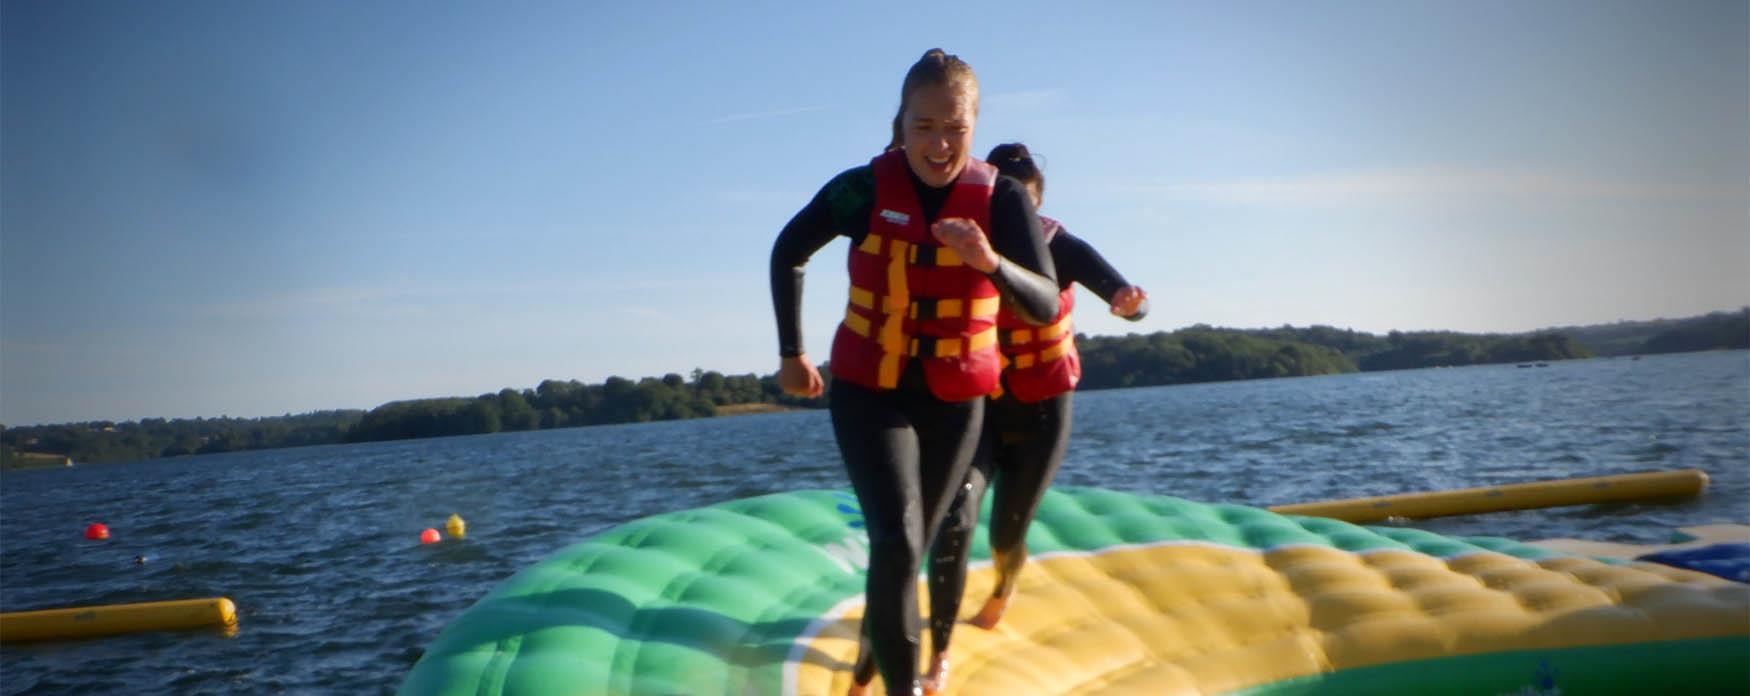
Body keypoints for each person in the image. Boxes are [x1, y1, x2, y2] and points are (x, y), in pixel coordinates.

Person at [769, 51, 1062, 696]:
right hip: (870, 390)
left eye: (954, 128)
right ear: (900, 123)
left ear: (974, 127)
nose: (938, 143)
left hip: (955, 399)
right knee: (898, 541)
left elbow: (1042, 300)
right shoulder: (862, 188)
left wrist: (989, 262)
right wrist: (792, 353)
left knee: (913, 546)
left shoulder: (1001, 199)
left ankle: (868, 669)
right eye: (923, 126)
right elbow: (789, 249)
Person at [920, 142, 1149, 693]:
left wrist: (1129, 303)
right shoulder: (961, 241)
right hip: (979, 405)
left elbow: (1126, 297)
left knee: (1006, 531)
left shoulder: (1059, 246)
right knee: (955, 516)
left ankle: (1003, 585)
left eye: (1024, 205)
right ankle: (940, 653)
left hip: (1043, 406)